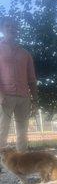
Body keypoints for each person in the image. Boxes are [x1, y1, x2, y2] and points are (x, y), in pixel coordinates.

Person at [0, 17, 38, 152]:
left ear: (18, 30)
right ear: (2, 29)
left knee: (23, 131)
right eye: (7, 26)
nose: (11, 28)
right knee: (2, 129)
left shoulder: (25, 53)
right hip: (5, 96)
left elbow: (32, 79)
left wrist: (35, 100)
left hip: (24, 97)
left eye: (14, 26)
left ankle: (22, 162)